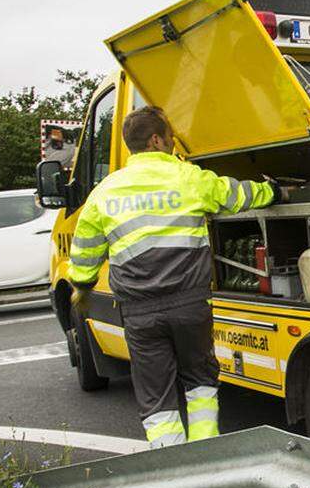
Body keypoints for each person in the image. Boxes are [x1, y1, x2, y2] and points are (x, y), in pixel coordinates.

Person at [67, 106, 286, 447]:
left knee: (155, 392)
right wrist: (273, 191)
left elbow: (84, 250)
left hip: (139, 312)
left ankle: (169, 460)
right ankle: (205, 450)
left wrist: (81, 288)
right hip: (190, 304)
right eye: (170, 136)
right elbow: (237, 195)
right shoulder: (188, 178)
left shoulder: (105, 193)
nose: (173, 142)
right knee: (200, 379)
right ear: (156, 139)